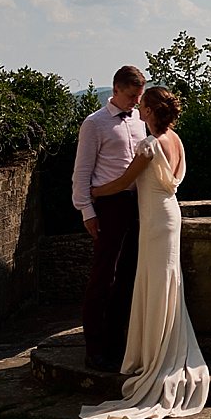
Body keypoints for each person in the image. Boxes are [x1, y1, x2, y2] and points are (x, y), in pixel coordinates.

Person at [80, 86, 209, 419]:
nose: (139, 111)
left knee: (153, 281)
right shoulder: (177, 140)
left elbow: (124, 182)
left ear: (150, 111)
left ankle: (153, 354)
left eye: (144, 108)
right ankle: (160, 344)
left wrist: (93, 192)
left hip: (153, 221)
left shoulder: (149, 145)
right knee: (166, 280)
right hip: (170, 215)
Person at [73, 65, 147, 373]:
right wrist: (87, 211)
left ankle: (118, 345)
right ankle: (95, 348)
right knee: (104, 277)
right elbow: (81, 172)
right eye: (131, 96)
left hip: (137, 204)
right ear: (116, 90)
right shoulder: (95, 124)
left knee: (128, 275)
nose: (135, 102)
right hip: (109, 205)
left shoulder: (141, 123)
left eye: (138, 97)